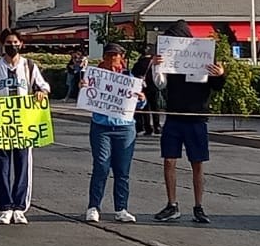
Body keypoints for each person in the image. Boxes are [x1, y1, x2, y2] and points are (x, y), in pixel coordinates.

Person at [151, 21, 225, 224]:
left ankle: (198, 206)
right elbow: (160, 84)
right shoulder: (169, 59)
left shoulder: (203, 55)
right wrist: (157, 66)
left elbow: (217, 85)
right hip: (174, 116)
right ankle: (172, 204)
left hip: (197, 118)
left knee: (197, 164)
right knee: (169, 160)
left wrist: (220, 75)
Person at [0, 29, 51, 225]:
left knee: (22, 165)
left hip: (24, 123)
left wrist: (41, 93)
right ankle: (5, 207)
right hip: (2, 124)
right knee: (2, 166)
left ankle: (20, 207)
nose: (12, 45)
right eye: (9, 42)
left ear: (21, 44)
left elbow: (43, 86)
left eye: (16, 42)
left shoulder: (29, 66)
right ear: (3, 45)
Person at [84, 43, 140, 225]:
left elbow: (138, 105)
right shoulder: (94, 76)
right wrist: (83, 88)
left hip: (125, 128)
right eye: (110, 56)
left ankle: (121, 208)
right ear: (105, 58)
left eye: (117, 56)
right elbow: (87, 96)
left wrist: (141, 99)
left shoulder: (128, 77)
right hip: (102, 127)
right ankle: (93, 207)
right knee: (101, 166)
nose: (114, 60)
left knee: (122, 170)